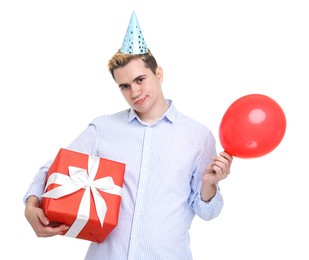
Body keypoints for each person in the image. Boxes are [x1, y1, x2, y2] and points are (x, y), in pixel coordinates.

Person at [24, 11, 233, 260]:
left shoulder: (198, 136)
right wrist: (31, 202)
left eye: (140, 79)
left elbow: (207, 212)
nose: (134, 91)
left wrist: (210, 185)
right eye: (124, 86)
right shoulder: (104, 129)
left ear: (159, 74)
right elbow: (54, 169)